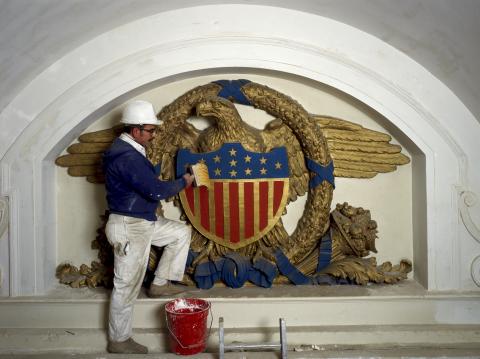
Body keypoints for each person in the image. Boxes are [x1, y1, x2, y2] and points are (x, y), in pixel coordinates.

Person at [102, 100, 194, 354]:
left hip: (141, 220)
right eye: (151, 130)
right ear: (136, 130)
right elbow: (154, 190)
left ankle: (160, 283)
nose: (154, 136)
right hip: (129, 226)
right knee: (126, 285)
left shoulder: (130, 149)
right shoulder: (127, 156)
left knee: (179, 233)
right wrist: (184, 181)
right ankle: (119, 340)